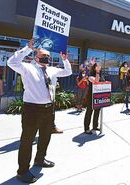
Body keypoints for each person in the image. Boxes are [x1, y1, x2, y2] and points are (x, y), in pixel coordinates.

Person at [7, 39, 72, 183]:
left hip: (48, 109)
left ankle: (40, 159)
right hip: (32, 109)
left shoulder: (52, 69)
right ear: (36, 57)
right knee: (27, 140)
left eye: (48, 57)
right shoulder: (27, 67)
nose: (47, 59)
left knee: (45, 136)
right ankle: (23, 171)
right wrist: (27, 49)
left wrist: (64, 60)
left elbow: (68, 71)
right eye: (44, 56)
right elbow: (11, 63)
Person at [83, 63, 104, 135]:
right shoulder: (90, 75)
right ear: (94, 67)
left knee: (97, 112)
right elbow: (96, 81)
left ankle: (95, 126)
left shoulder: (101, 75)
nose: (99, 67)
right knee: (89, 112)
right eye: (98, 66)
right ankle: (86, 128)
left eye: (100, 66)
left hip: (98, 96)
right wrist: (97, 72)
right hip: (91, 96)